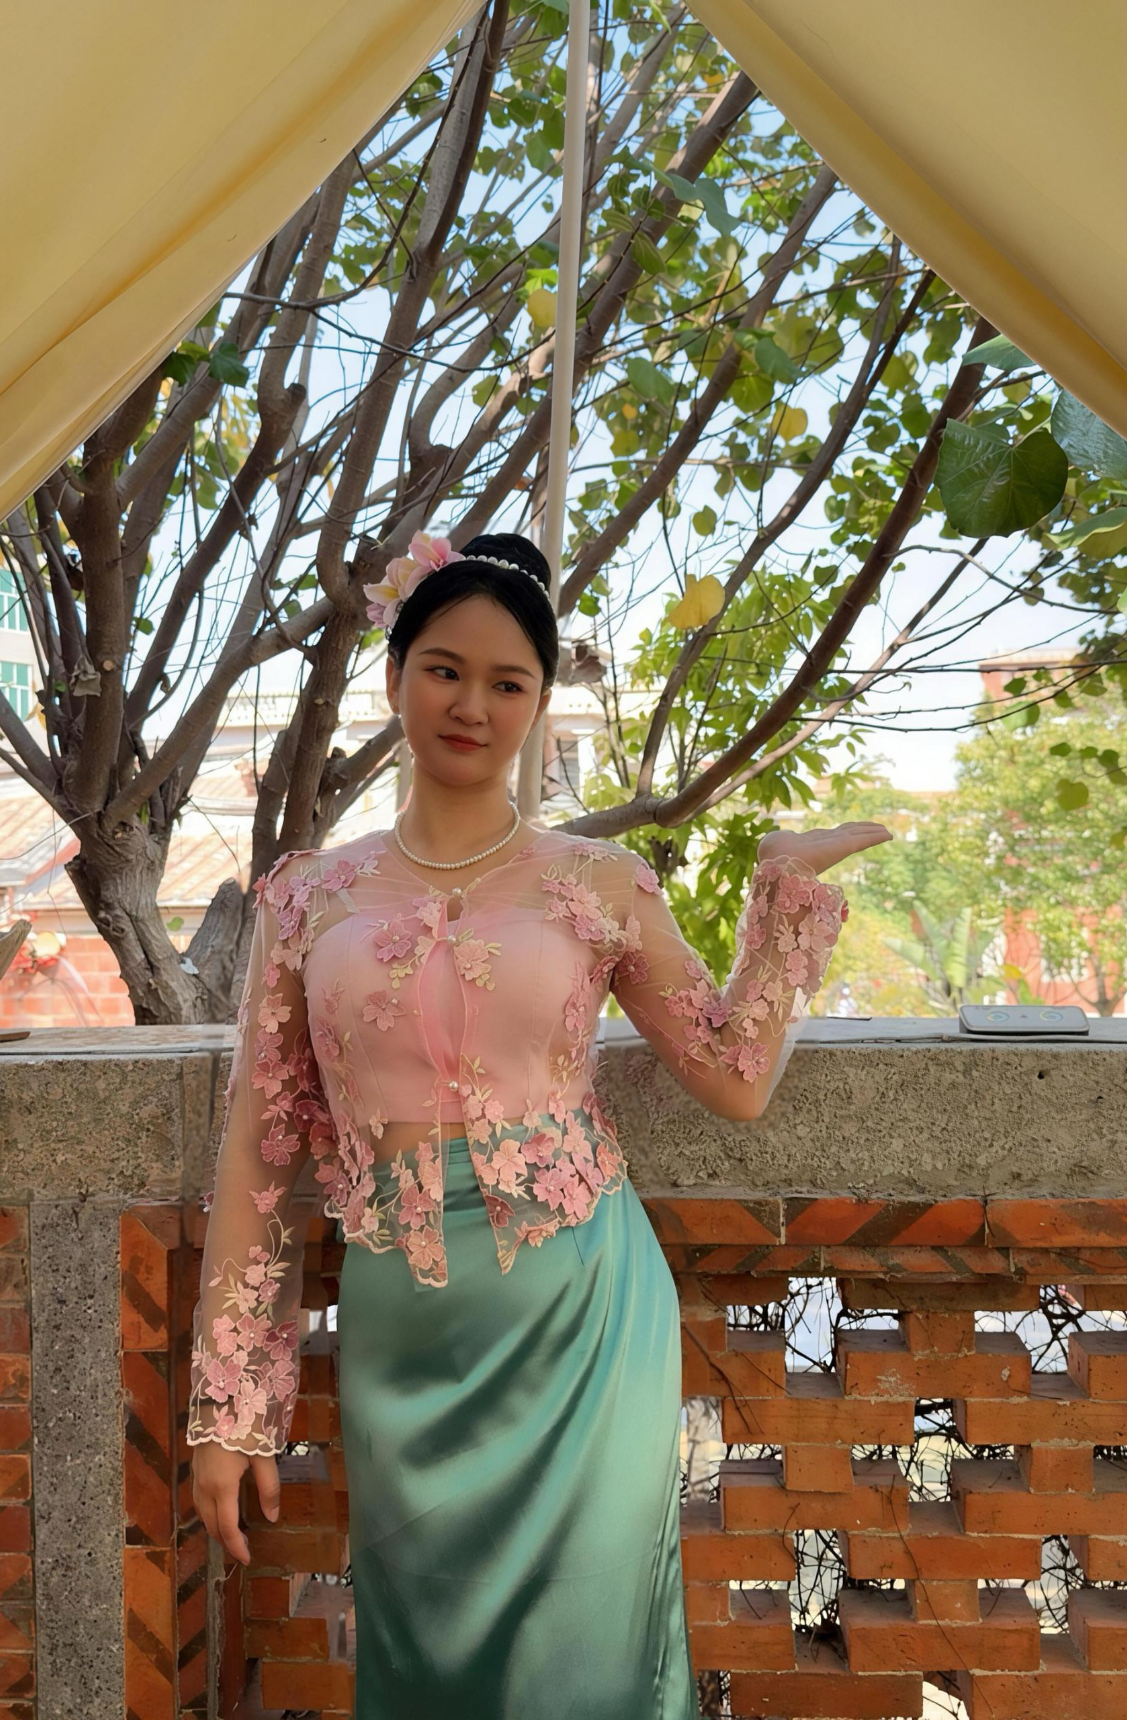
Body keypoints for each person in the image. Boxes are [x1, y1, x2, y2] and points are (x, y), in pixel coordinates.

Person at [187, 528, 891, 1717]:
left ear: (539, 702)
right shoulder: (307, 894)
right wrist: (233, 1408)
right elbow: (260, 1150)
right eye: (444, 670)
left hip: (584, 1315)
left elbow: (733, 1073)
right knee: (427, 1657)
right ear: (396, 676)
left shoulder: (598, 881)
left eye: (508, 682)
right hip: (407, 1328)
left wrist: (785, 893)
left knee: (589, 1662)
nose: (473, 704)